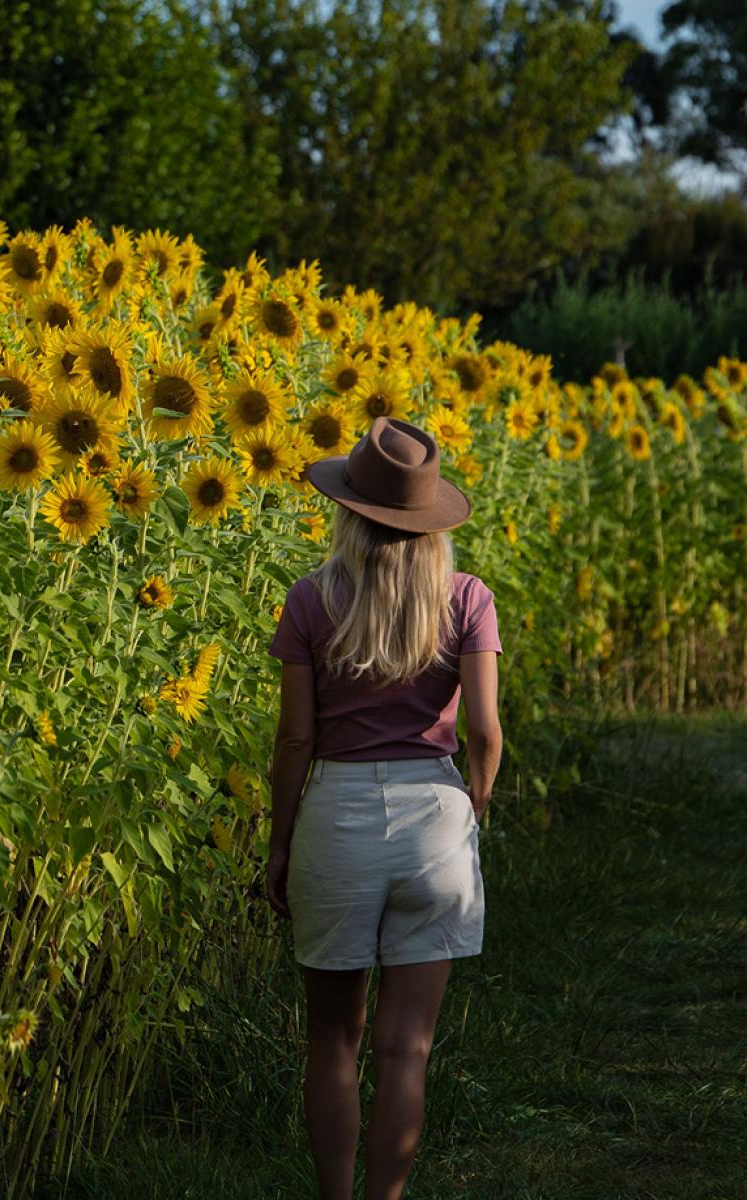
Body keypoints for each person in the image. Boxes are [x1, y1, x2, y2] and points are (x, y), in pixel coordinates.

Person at [263, 416, 503, 1200]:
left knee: (333, 1041)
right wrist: (475, 806)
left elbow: (295, 740)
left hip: (337, 816)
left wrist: (279, 845)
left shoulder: (310, 599)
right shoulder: (467, 598)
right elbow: (485, 732)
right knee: (409, 1049)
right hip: (435, 811)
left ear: (349, 509)